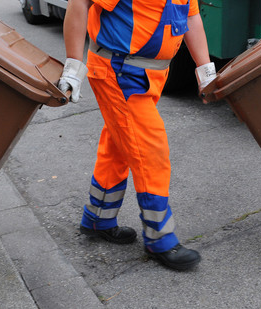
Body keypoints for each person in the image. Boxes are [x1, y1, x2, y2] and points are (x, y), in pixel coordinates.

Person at [58, 0, 216, 270]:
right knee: (150, 151)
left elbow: (191, 18)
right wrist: (73, 66)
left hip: (148, 75)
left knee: (120, 145)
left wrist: (206, 72)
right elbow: (80, 3)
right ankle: (160, 238)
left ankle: (98, 219)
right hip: (120, 73)